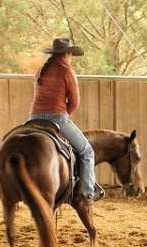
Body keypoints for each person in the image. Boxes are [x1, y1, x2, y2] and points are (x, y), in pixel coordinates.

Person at [29, 37, 104, 202]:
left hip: (33, 117)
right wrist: (64, 115)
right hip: (57, 118)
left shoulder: (41, 70)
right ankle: (87, 192)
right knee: (87, 152)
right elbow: (75, 102)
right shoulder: (66, 71)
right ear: (68, 54)